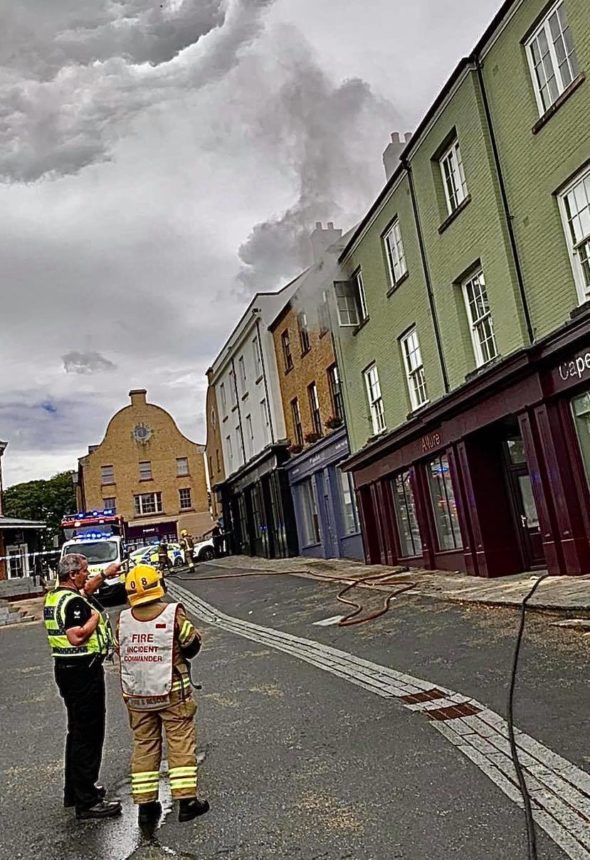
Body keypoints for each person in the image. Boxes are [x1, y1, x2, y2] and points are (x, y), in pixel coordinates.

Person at [117, 564, 209, 824]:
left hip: (138, 696)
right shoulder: (172, 613)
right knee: (180, 744)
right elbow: (191, 645)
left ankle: (146, 807)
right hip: (173, 694)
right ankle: (187, 802)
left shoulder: (123, 620)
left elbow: (120, 651)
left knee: (144, 746)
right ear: (158, 586)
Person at [43, 554, 122, 820]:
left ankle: (75, 791)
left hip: (66, 670)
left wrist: (106, 574)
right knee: (88, 734)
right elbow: (76, 636)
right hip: (83, 671)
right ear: (73, 574)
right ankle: (87, 801)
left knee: (76, 732)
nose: (88, 575)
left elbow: (85, 591)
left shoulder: (56, 597)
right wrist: (94, 621)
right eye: (85, 571)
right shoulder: (74, 603)